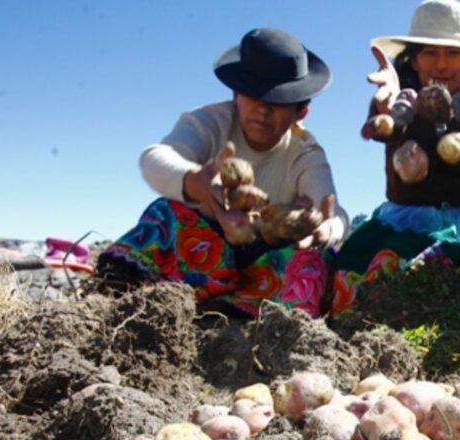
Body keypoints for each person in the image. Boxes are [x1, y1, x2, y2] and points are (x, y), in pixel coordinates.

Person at [97, 28, 348, 316]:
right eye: (253, 95)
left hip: (264, 263)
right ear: (236, 94)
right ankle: (120, 301)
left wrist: (326, 228)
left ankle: (243, 319)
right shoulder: (209, 122)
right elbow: (154, 159)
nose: (263, 109)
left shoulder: (306, 153)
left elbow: (332, 210)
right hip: (200, 253)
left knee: (314, 259)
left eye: (278, 102)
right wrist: (196, 182)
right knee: (165, 213)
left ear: (300, 113)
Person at [327, 0, 460, 316]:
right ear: (414, 60)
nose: (441, 64)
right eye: (430, 52)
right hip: (404, 222)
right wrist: (384, 112)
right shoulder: (401, 96)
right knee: (366, 272)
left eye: (454, 53)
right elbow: (387, 130)